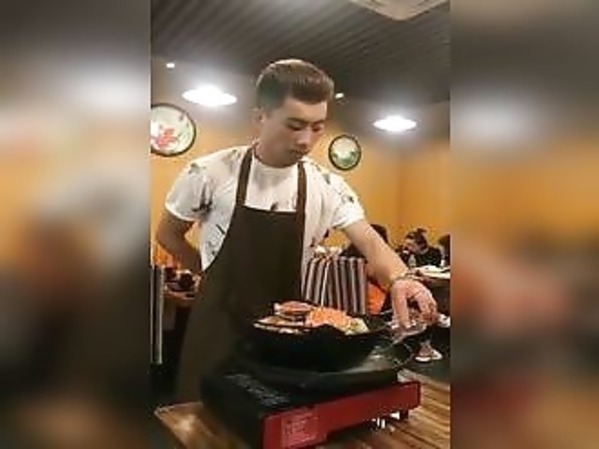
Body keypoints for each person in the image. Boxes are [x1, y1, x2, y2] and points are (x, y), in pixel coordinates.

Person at [155, 59, 437, 401]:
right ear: (260, 117)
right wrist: (209, 273)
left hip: (287, 336)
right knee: (202, 417)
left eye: (317, 127)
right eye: (294, 125)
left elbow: (370, 241)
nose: (306, 140)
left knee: (277, 414)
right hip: (217, 327)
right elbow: (167, 234)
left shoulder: (326, 185)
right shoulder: (209, 173)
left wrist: (401, 278)